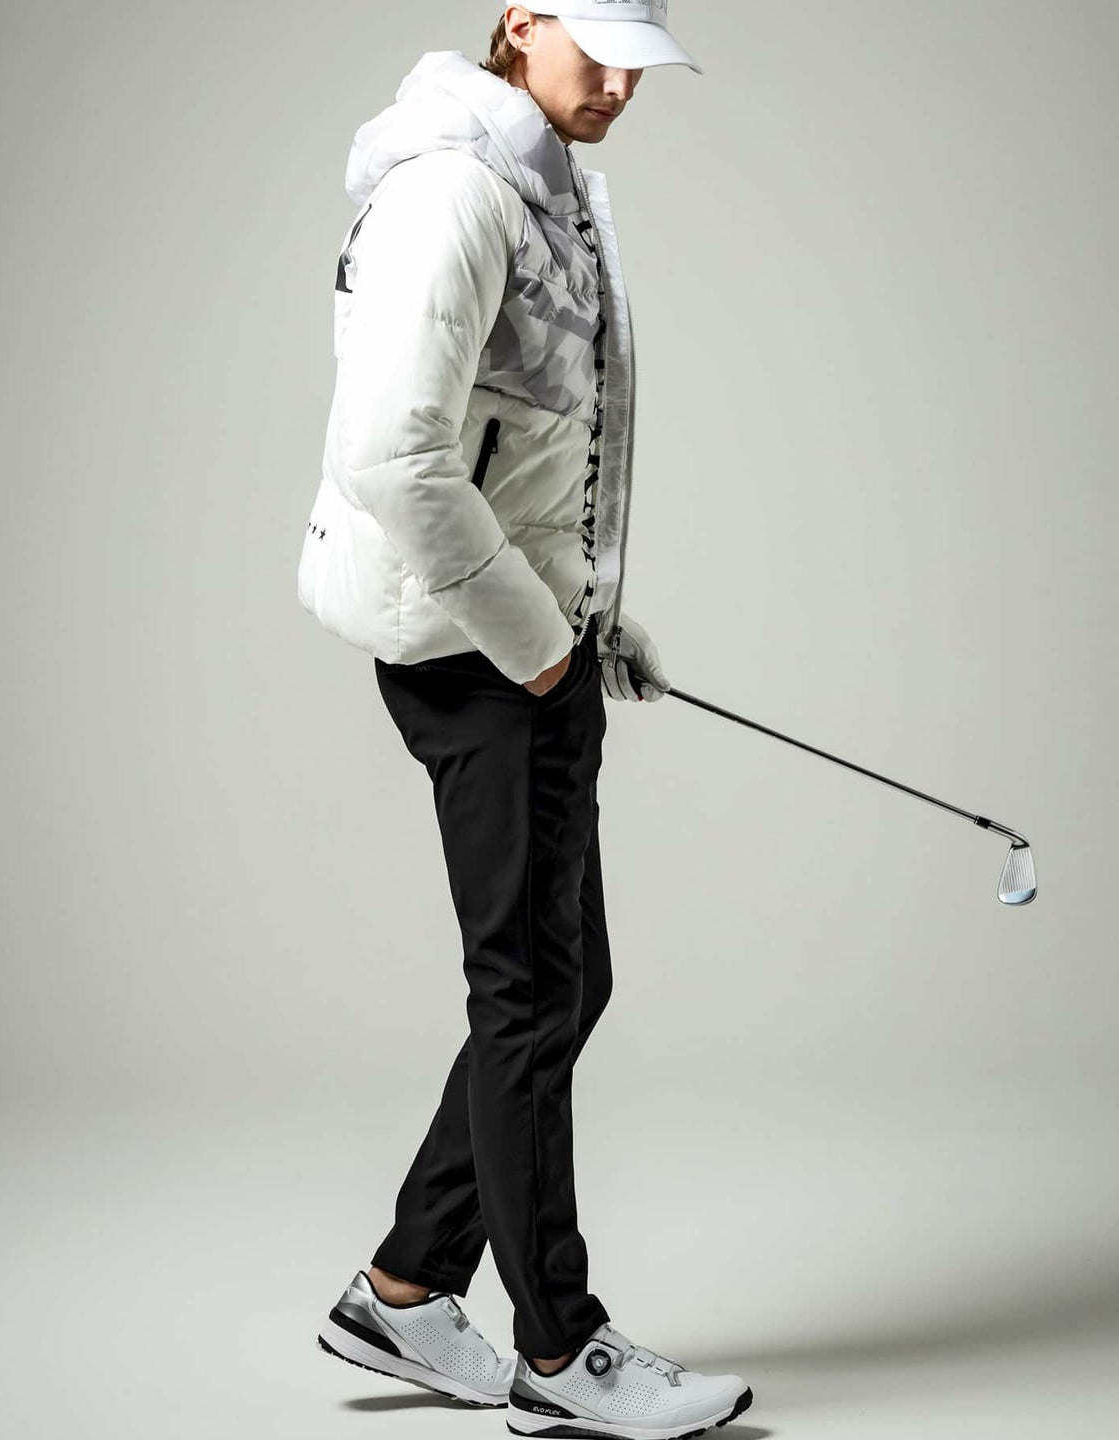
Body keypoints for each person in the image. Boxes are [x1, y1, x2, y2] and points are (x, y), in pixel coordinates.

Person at [302, 6, 754, 1435]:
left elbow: (551, 446)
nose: (618, 81)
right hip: (480, 656)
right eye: (595, 48)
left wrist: (594, 620)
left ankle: (406, 1290)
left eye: (639, 62)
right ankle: (560, 1354)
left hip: (524, 644)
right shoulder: (456, 192)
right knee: (531, 992)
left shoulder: (549, 185)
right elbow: (394, 457)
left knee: (559, 985)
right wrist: (542, 645)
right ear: (518, 22)